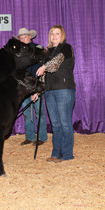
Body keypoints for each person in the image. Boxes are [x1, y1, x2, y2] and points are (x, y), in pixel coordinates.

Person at [36, 25, 76, 163]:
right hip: (49, 91)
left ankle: (66, 154)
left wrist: (44, 66)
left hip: (64, 89)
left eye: (57, 33)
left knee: (65, 123)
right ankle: (55, 153)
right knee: (55, 124)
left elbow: (56, 63)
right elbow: (44, 75)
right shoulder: (48, 53)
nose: (54, 36)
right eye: (52, 33)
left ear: (62, 35)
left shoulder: (66, 48)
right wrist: (38, 91)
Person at [13, 28, 48, 146]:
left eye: (24, 37)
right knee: (26, 112)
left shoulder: (38, 49)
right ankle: (30, 136)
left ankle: (42, 137)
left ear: (30, 37)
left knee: (39, 112)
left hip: (36, 84)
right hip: (24, 87)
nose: (22, 39)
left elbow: (43, 68)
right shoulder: (18, 53)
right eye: (20, 38)